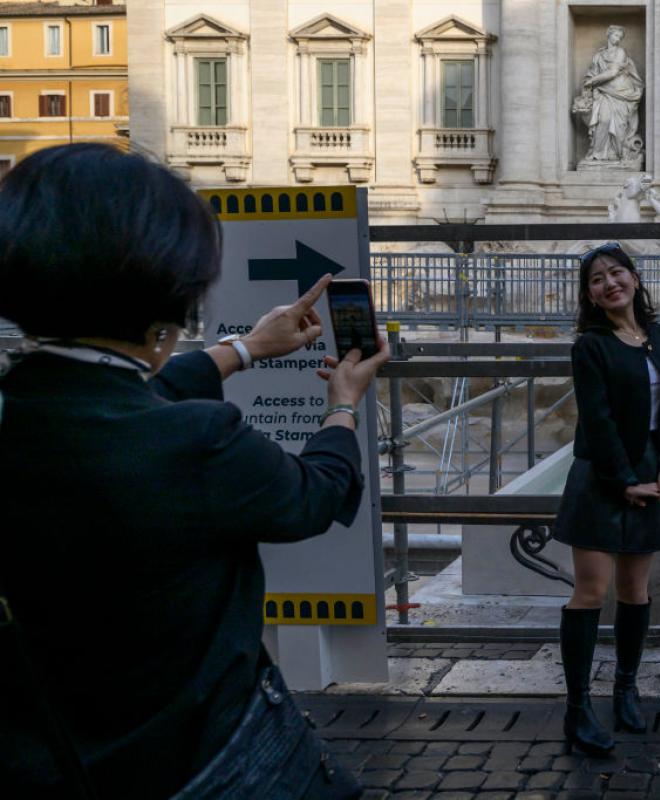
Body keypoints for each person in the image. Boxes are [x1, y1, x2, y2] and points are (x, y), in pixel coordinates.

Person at [0, 144, 390, 798]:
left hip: (44, 755)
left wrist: (245, 348)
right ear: (167, 315)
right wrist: (343, 405)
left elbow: (121, 398)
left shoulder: (27, 410)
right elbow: (314, 495)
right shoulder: (198, 441)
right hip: (201, 756)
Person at [552, 242, 660, 755]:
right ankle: (578, 710)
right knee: (591, 591)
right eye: (596, 279)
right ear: (589, 294)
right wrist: (623, 480)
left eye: (616, 273)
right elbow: (597, 417)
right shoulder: (590, 346)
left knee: (636, 590)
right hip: (600, 480)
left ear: (634, 278)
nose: (609, 283)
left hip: (649, 479)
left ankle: (625, 688)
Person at [574, 25, 644, 165]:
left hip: (621, 92)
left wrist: (593, 81)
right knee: (604, 120)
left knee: (620, 126)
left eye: (620, 37)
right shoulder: (598, 56)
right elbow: (591, 74)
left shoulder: (620, 52)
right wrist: (589, 82)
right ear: (608, 34)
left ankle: (617, 154)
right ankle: (598, 154)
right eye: (615, 35)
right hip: (604, 93)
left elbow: (612, 72)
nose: (617, 39)